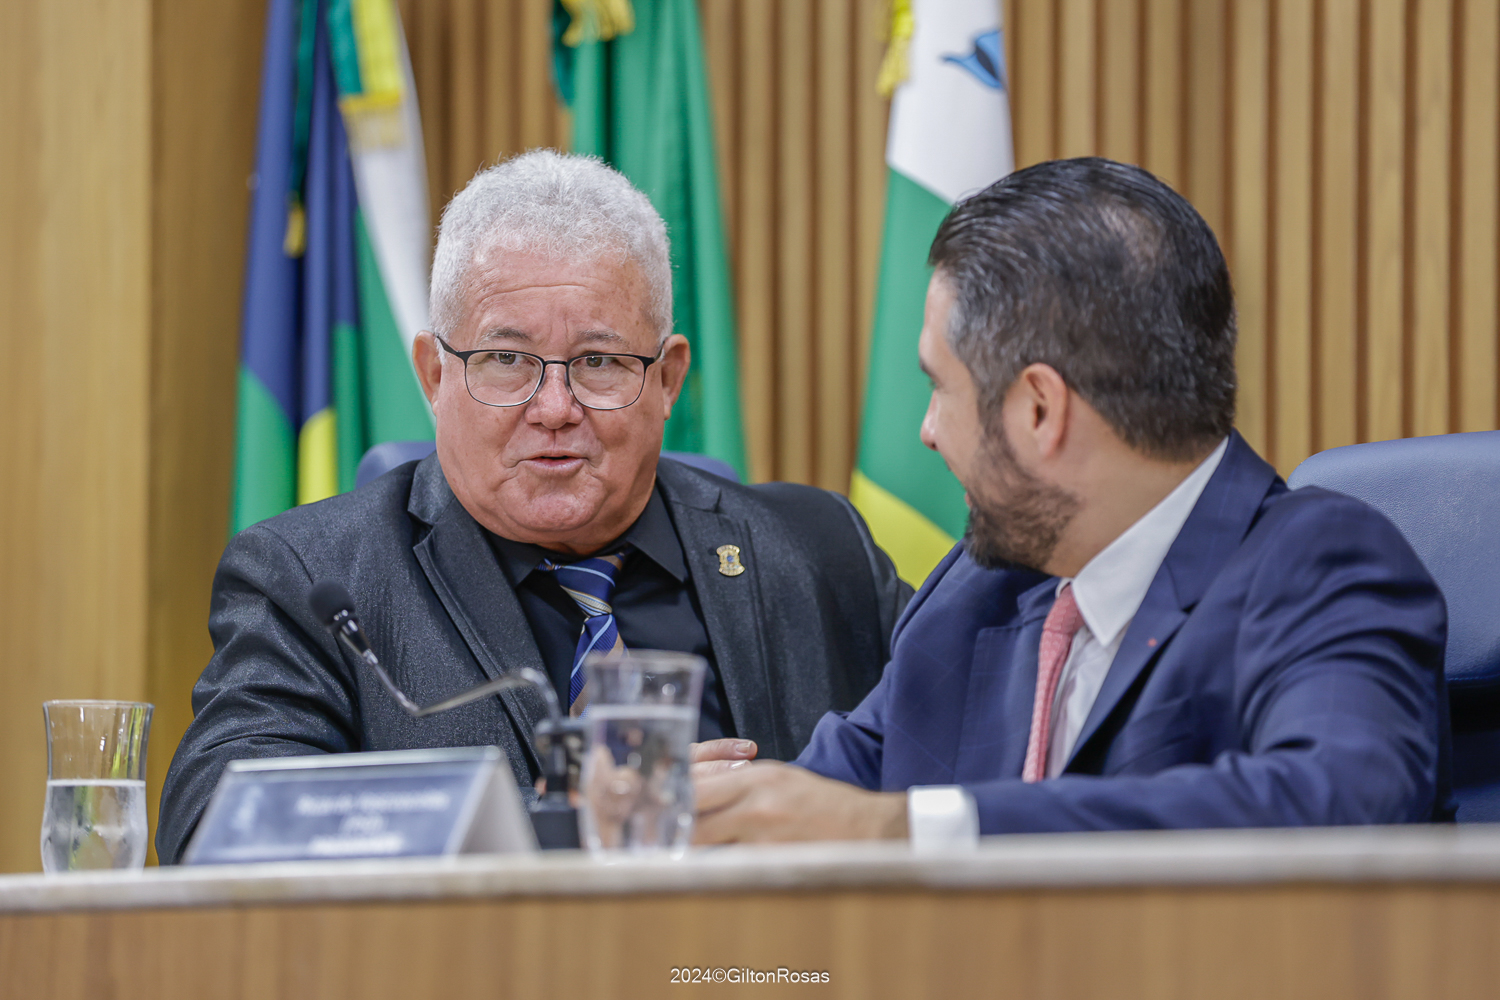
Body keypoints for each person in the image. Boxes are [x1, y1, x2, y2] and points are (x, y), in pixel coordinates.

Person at [157, 151, 911, 863]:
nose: (553, 409)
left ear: (668, 380)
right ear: (434, 375)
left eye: (600, 361)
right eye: (506, 360)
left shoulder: (820, 551)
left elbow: (968, 756)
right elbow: (215, 824)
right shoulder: (312, 580)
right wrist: (562, 824)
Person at [693, 157, 1451, 845]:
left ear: (1039, 410)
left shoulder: (1324, 567)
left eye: (939, 387)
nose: (926, 431)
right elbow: (830, 795)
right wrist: (687, 803)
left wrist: (916, 827)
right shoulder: (975, 591)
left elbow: (1336, 801)